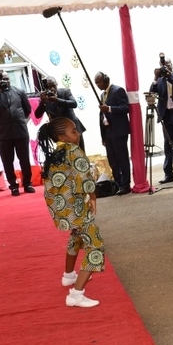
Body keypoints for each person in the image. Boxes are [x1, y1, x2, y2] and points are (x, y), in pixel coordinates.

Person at [37, 117, 105, 308]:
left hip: (60, 207)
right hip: (75, 207)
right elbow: (85, 177)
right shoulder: (73, 150)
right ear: (61, 136)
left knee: (77, 236)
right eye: (73, 131)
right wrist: (92, 197)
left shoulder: (55, 153)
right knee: (96, 246)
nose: (78, 133)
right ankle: (76, 295)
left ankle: (69, 275)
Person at [0, 71, 34, 196]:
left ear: (10, 79)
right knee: (7, 161)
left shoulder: (19, 91)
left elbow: (28, 110)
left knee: (24, 159)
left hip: (20, 131)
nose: (4, 81)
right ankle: (13, 186)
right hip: (3, 134)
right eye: (1, 79)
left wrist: (19, 120)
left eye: (6, 78)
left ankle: (27, 183)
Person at [95, 71, 131, 195]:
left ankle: (126, 185)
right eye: (96, 83)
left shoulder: (118, 90)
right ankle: (119, 183)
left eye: (99, 82)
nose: (97, 85)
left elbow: (126, 108)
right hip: (108, 132)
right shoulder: (102, 95)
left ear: (106, 79)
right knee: (112, 160)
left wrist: (109, 108)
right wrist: (103, 136)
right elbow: (101, 116)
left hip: (119, 131)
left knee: (122, 159)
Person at [35, 77, 86, 151]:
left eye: (53, 86)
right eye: (49, 87)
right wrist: (42, 103)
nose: (52, 89)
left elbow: (74, 104)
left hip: (73, 130)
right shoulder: (44, 98)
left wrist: (57, 100)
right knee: (65, 155)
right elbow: (37, 115)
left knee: (80, 152)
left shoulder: (65, 92)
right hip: (60, 133)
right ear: (45, 88)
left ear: (57, 84)